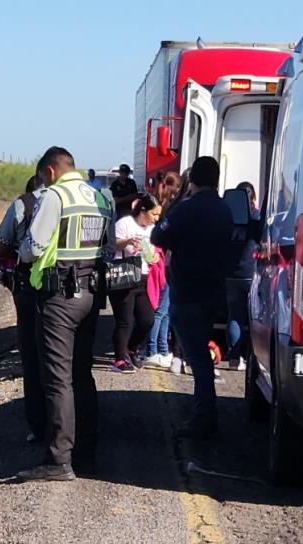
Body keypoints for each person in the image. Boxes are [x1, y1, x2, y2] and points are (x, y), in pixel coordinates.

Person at [16, 146, 115, 481]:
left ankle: (58, 460)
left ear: (51, 171)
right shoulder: (100, 197)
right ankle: (86, 452)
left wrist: (24, 252)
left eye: (43, 176)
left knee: (57, 379)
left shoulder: (55, 196)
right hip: (91, 293)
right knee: (81, 374)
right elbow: (109, 248)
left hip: (58, 296)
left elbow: (34, 247)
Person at [151, 157, 234, 439]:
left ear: (192, 181)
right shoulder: (224, 210)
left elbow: (157, 236)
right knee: (200, 355)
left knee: (197, 359)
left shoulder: (186, 209)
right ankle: (204, 413)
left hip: (187, 293)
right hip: (213, 291)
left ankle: (204, 417)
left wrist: (174, 205)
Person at [0, 172, 48, 444]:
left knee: (31, 353)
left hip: (28, 288)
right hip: (69, 290)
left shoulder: (22, 204)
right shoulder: (77, 200)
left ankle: (38, 425)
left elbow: (1, 247)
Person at [109, 194, 162, 373]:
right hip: (123, 277)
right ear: (143, 211)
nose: (156, 219)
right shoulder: (125, 224)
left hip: (142, 278)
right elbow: (111, 245)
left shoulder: (151, 229)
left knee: (147, 319)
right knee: (125, 320)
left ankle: (131, 348)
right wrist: (127, 242)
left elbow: (153, 251)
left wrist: (153, 257)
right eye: (154, 214)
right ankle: (119, 359)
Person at [143, 172, 183, 370]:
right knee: (161, 311)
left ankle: (162, 349)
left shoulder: (165, 206)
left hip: (163, 264)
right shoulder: (171, 208)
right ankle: (153, 350)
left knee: (164, 310)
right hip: (164, 265)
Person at [225, 181, 260, 371]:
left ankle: (233, 358)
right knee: (254, 318)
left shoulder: (226, 216)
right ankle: (253, 358)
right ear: (252, 198)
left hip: (230, 274)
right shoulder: (255, 217)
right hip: (251, 273)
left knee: (234, 316)